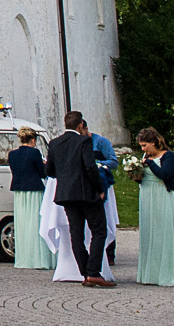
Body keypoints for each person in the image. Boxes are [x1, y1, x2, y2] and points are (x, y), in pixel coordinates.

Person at [46, 111, 111, 287]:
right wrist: (99, 189)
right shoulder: (84, 141)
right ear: (80, 125)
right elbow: (90, 167)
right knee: (99, 231)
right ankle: (93, 272)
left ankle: (85, 272)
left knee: (76, 234)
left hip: (66, 195)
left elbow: (50, 171)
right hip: (86, 193)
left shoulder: (54, 143)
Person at [134, 127, 174, 286]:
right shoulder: (145, 156)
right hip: (147, 195)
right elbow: (143, 178)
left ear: (154, 142)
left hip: (162, 195)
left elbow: (165, 175)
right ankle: (150, 274)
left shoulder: (168, 156)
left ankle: (167, 274)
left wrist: (149, 163)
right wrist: (135, 174)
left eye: (144, 145)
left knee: (164, 232)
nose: (143, 149)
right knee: (150, 233)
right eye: (141, 146)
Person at [6, 127, 55, 270]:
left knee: (23, 223)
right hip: (34, 190)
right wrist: (45, 166)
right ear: (33, 140)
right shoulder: (35, 153)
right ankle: (38, 257)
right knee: (36, 222)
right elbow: (42, 173)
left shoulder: (12, 154)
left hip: (19, 191)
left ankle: (24, 257)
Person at [90, 128, 120, 266]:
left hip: (103, 183)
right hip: (88, 184)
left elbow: (113, 161)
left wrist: (98, 164)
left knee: (107, 216)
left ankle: (109, 253)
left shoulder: (100, 141)